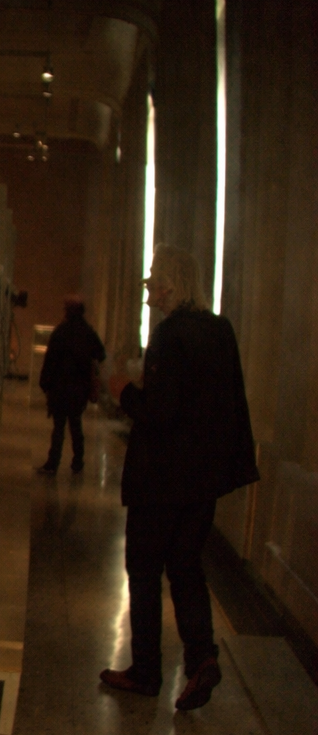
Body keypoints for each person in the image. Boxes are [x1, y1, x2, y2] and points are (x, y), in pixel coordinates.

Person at [100, 245, 259, 710]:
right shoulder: (220, 331)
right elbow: (226, 405)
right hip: (203, 480)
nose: (148, 288)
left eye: (153, 279)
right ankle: (202, 658)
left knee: (144, 570)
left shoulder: (170, 335)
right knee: (187, 568)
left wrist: (123, 391)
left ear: (170, 285)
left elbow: (160, 413)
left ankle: (146, 671)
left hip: (161, 479)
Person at [36, 295, 105, 473]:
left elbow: (50, 360)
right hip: (79, 389)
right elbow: (100, 353)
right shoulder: (87, 332)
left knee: (59, 428)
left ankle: (53, 464)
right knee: (76, 426)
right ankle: (78, 462)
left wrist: (45, 383)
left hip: (59, 388)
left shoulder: (61, 332)